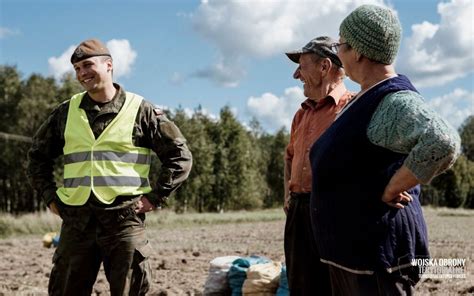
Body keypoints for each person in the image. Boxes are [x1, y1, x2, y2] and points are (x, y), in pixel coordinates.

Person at [309, 5, 461, 295]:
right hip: (356, 257)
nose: (338, 53)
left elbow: (442, 142)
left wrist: (393, 187)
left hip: (378, 258)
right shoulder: (367, 96)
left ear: (359, 52)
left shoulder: (392, 100)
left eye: (341, 45)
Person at [27, 38, 193, 295]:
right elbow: (37, 158)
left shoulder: (141, 111)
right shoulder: (65, 112)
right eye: (77, 69)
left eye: (87, 65)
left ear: (109, 65)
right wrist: (50, 197)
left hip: (124, 220)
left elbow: (180, 155)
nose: (82, 73)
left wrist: (156, 197)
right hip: (76, 221)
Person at [283, 36, 354, 295]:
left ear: (325, 67)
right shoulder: (301, 114)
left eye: (302, 66)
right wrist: (287, 195)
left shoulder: (353, 108)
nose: (296, 75)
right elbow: (289, 156)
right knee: (301, 286)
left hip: (334, 211)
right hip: (299, 213)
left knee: (336, 287)